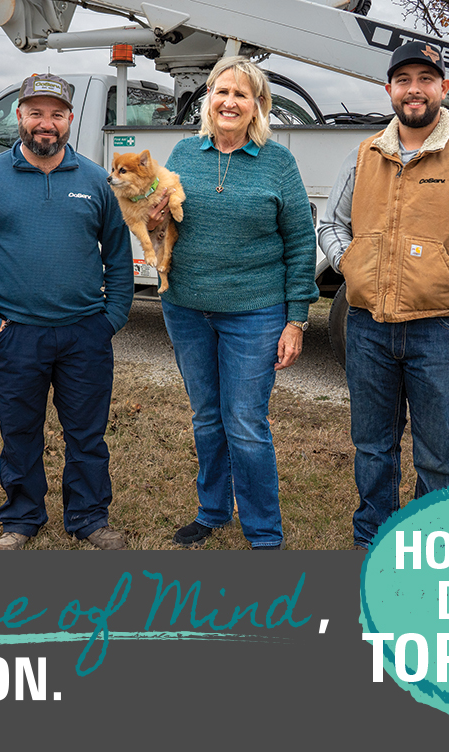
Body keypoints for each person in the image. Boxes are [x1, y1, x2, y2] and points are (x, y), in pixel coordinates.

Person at [318, 41, 449, 550]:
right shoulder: (364, 154)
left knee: (436, 452)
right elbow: (331, 222)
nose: (415, 89)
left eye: (426, 79)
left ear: (443, 88)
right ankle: (372, 540)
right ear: (389, 89)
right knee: (372, 446)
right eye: (404, 79)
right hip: (367, 327)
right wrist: (350, 263)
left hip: (442, 329)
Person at [0, 73, 133, 550]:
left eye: (56, 113)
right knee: (20, 433)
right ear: (20, 116)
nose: (45, 123)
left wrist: (111, 318)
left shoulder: (96, 180)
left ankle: (90, 517)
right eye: (35, 112)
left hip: (84, 336)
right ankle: (21, 518)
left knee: (87, 435)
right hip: (17, 337)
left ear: (70, 119)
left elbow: (117, 256)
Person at [160, 56, 318, 550]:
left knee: (246, 422)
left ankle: (264, 530)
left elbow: (299, 243)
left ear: (258, 106)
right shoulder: (184, 153)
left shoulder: (278, 162)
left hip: (255, 311)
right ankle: (212, 511)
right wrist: (150, 220)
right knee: (206, 416)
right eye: (221, 91)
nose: (229, 101)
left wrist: (296, 320)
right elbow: (160, 225)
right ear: (208, 99)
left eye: (242, 94)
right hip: (186, 308)